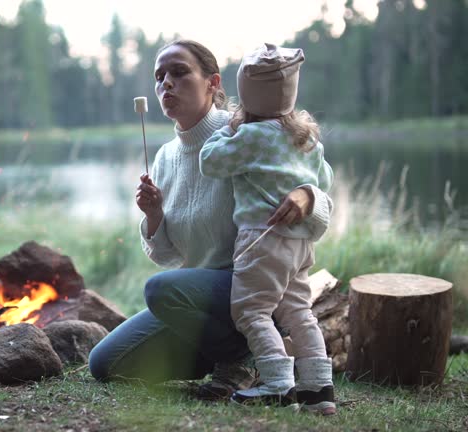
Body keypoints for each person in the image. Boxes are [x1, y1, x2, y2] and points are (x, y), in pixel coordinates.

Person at [88, 40, 334, 401]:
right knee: (104, 363)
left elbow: (322, 185)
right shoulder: (165, 158)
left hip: (254, 285)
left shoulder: (248, 133)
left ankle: (243, 359)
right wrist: (154, 217)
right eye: (159, 77)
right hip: (200, 300)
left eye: (179, 72)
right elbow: (169, 257)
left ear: (213, 82)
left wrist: (307, 196)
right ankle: (230, 353)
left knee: (160, 289)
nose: (166, 84)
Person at [198, 43, 335, 414]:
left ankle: (276, 382)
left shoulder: (250, 137)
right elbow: (326, 179)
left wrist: (226, 129)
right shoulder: (306, 139)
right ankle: (318, 389)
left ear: (247, 94)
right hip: (300, 243)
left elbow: (210, 161)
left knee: (252, 311)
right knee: (297, 312)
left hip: (261, 239)